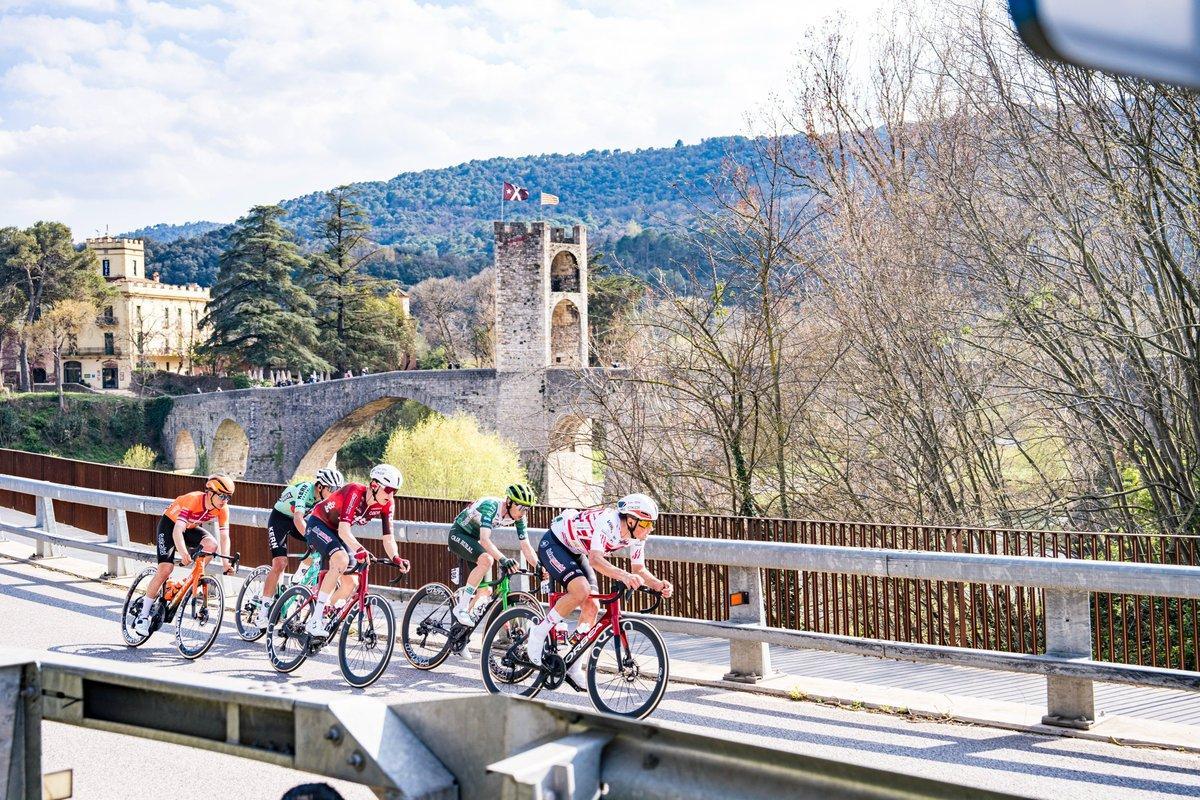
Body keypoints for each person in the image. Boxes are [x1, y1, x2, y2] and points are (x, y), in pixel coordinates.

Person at [526, 493, 673, 689]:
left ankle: (574, 666)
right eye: (646, 524)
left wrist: (657, 584)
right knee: (581, 590)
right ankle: (539, 633)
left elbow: (639, 568)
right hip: (555, 543)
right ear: (630, 520)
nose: (650, 529)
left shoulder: (637, 535)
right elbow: (595, 560)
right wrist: (623, 576)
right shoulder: (609, 522)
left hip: (577, 551)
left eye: (651, 524)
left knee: (592, 606)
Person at [302, 464, 410, 637]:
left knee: (351, 583)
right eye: (388, 489)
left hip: (336, 532)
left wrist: (396, 558)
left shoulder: (387, 504)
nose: (391, 495)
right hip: (318, 524)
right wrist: (360, 549)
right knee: (341, 560)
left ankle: (324, 616)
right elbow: (345, 530)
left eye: (394, 491)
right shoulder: (355, 491)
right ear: (374, 486)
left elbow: (388, 537)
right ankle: (314, 620)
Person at [133, 474, 236, 636]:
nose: (225, 500)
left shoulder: (223, 509)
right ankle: (143, 616)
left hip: (189, 529)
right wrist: (183, 552)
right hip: (170, 526)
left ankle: (186, 582)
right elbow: (177, 531)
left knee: (211, 545)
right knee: (166, 569)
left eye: (228, 497)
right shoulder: (193, 500)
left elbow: (225, 537)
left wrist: (226, 564)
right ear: (210, 493)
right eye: (222, 496)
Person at [253, 467, 345, 626]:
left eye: (337, 489)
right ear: (320, 486)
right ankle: (262, 613)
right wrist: (311, 539)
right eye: (331, 489)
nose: (334, 493)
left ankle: (296, 580)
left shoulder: (326, 499)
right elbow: (298, 519)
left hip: (299, 522)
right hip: (280, 520)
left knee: (319, 548)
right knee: (280, 563)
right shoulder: (305, 489)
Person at [448, 483, 539, 626]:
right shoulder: (491, 506)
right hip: (459, 534)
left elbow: (526, 545)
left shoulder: (519, 518)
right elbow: (484, 539)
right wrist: (503, 559)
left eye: (527, 509)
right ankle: (461, 608)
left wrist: (538, 566)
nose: (524, 512)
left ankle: (460, 630)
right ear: (509, 502)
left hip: (473, 540)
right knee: (487, 560)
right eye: (521, 507)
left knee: (485, 591)